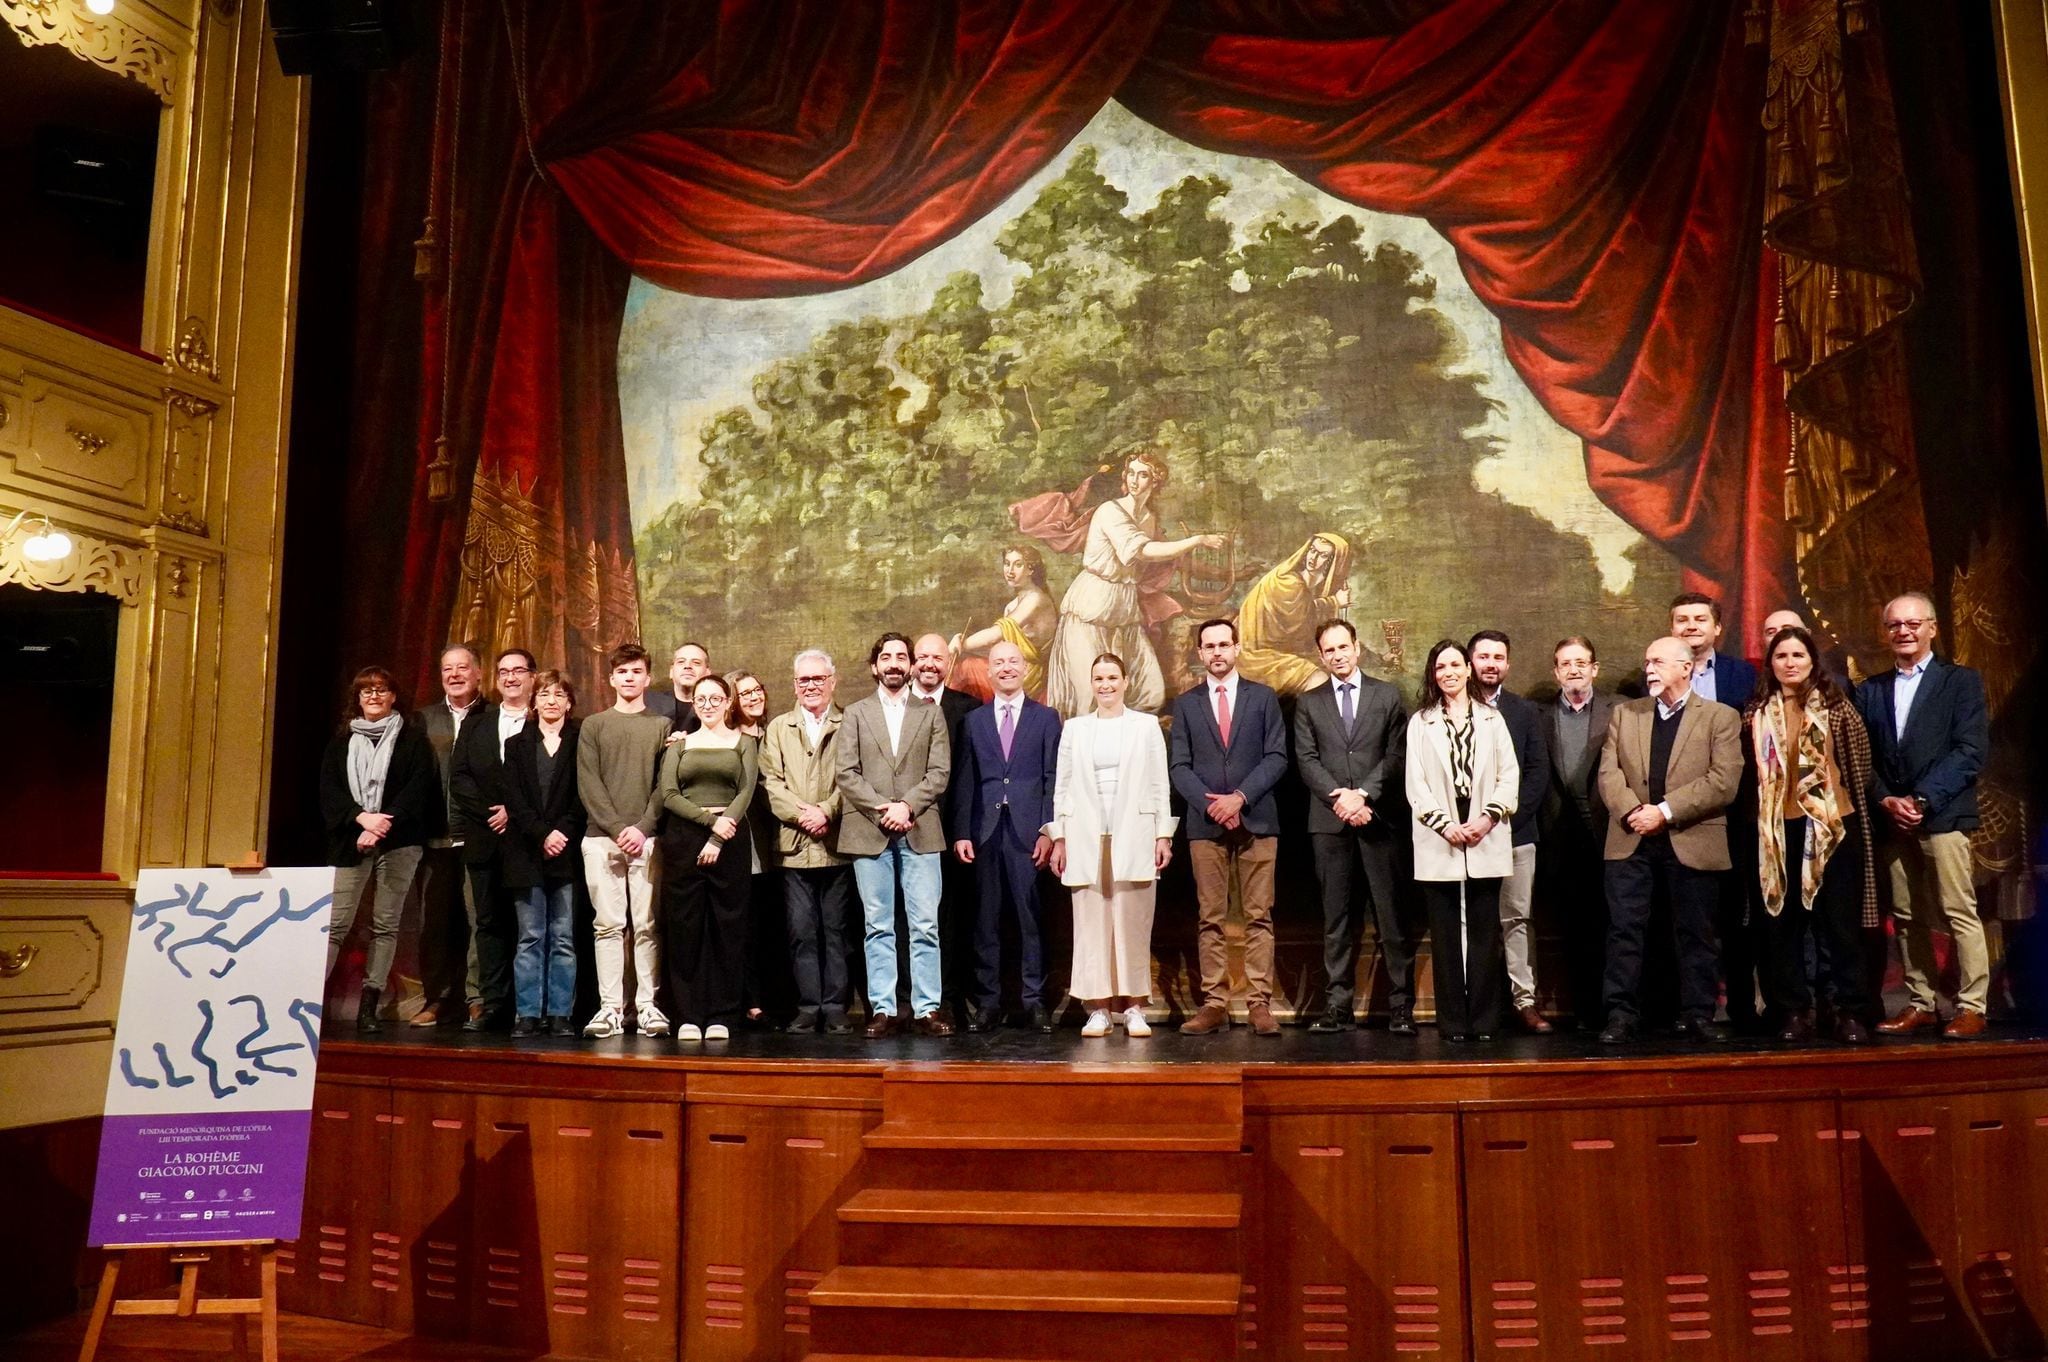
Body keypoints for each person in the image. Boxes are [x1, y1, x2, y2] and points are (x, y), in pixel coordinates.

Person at [1856, 592, 1991, 1039]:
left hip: (1943, 815)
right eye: (1895, 625)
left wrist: (1922, 800)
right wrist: (1885, 800)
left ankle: (1972, 1006)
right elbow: (1861, 757)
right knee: (1907, 914)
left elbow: (1970, 751)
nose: (1904, 632)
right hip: (1893, 820)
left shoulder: (1961, 681)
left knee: (1957, 912)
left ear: (1932, 627)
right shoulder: (1870, 689)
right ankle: (1922, 1003)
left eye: (1913, 624)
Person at [1595, 636, 1743, 1044]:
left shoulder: (1721, 717)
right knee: (1625, 931)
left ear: (1686, 667)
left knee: (1696, 931)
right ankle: (1621, 1014)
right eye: (1647, 662)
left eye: (1658, 661)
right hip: (1631, 838)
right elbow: (1609, 774)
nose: (1650, 669)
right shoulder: (1626, 714)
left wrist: (1663, 811)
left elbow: (1723, 782)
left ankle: (1698, 1013)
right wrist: (1633, 812)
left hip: (1691, 836)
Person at [1745, 627, 1877, 1044]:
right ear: (1771, 664)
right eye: (1781, 656)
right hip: (1776, 831)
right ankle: (1792, 1011)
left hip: (1831, 828)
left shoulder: (1838, 708)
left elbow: (1860, 769)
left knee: (1838, 926)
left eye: (1798, 655)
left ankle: (1849, 1011)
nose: (1790, 662)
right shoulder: (1755, 712)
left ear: (1812, 660)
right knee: (1781, 926)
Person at [1170, 618, 1290, 1037]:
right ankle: (1215, 1002)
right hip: (1206, 824)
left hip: (1257, 819)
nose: (1217, 652)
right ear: (1200, 653)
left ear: (1236, 648)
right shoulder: (1186, 704)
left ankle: (1259, 1002)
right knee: (1211, 918)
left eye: (1224, 644)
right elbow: (1179, 766)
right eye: (1209, 646)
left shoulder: (1263, 698)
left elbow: (1276, 757)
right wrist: (1215, 806)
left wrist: (1240, 798)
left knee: (1259, 915)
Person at [1294, 619, 1413, 1034]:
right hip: (1330, 825)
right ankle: (1337, 1007)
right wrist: (1341, 799)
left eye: (1343, 647)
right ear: (1321, 656)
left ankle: (1401, 1008)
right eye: (1329, 650)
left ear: (1357, 648)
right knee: (1336, 920)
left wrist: (1363, 794)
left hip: (1379, 819)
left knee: (1391, 918)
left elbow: (1396, 755)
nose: (1337, 655)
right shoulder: (1308, 703)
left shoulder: (1387, 695)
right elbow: (1306, 760)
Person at [1041, 447, 1225, 716]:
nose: (1134, 480)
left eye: (1143, 475)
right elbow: (1143, 551)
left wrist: (1221, 573)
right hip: (1092, 606)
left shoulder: (1149, 519)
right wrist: (1196, 540)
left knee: (1149, 692)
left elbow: (1168, 558)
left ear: (1155, 482)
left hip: (1124, 608)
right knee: (1091, 695)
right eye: (1131, 474)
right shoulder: (1110, 511)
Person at [1048, 653, 1176, 1037]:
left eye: (1112, 677)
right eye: (1099, 678)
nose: (1106, 685)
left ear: (1125, 681)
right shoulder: (1075, 729)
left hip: (1133, 834)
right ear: (1092, 684)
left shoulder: (1146, 726)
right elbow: (1063, 786)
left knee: (1132, 922)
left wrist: (1163, 834)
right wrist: (1060, 837)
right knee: (1091, 925)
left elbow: (1158, 783)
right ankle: (1098, 1009)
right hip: (1087, 836)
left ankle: (1134, 1006)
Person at [836, 632, 953, 1037]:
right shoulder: (855, 713)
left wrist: (907, 807)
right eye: (886, 657)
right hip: (870, 830)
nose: (894, 664)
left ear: (911, 666)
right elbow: (846, 773)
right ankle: (883, 1008)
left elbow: (939, 772)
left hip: (920, 828)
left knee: (925, 924)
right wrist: (883, 808)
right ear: (874, 666)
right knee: (878, 924)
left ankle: (927, 1008)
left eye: (901, 657)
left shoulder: (930, 712)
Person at [1404, 640, 1518, 1042]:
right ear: (1433, 675)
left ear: (1468, 670)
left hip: (1486, 829)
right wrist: (1445, 825)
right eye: (1440, 667)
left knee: (1486, 933)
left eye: (1455, 664)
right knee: (1446, 934)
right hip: (1441, 837)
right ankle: (1452, 1022)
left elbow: (1509, 775)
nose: (1448, 672)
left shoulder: (1492, 718)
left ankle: (1485, 1021)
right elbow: (1415, 785)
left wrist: (1487, 818)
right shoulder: (1421, 722)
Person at [950, 640, 1062, 1032]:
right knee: (985, 922)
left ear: (1024, 667)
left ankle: (1034, 1001)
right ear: (991, 671)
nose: (1006, 668)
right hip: (984, 833)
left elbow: (1052, 779)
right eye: (999, 663)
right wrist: (962, 831)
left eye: (1013, 662)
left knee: (1032, 919)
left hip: (1030, 834)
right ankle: (989, 1002)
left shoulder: (1047, 718)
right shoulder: (974, 721)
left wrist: (1050, 830)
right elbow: (966, 779)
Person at [319, 666, 437, 1033]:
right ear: (357, 699)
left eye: (381, 690)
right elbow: (330, 792)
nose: (373, 696)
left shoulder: (413, 740)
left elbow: (419, 789)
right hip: (350, 838)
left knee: (385, 925)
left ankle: (369, 1006)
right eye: (365, 691)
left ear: (393, 697)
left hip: (399, 841)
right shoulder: (340, 742)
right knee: (335, 925)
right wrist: (361, 819)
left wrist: (383, 823)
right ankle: (308, 1003)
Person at [1670, 591, 1765, 1031]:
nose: (1690, 626)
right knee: (1692, 919)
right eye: (1682, 620)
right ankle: (1694, 1010)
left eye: (1699, 619)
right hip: (1683, 818)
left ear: (1716, 628)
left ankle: (1744, 1008)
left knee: (1739, 914)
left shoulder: (1742, 676)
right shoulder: (1657, 675)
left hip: (1739, 813)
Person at [576, 644, 673, 1039]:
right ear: (611, 678)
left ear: (647, 678)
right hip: (601, 839)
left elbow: (664, 784)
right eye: (623, 672)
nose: (629, 677)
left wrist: (643, 827)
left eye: (636, 671)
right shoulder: (594, 725)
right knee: (608, 925)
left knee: (647, 924)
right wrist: (618, 828)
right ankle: (611, 1008)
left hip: (647, 839)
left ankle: (647, 1006)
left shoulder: (662, 725)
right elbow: (589, 783)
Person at [655, 675, 759, 1043]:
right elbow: (668, 794)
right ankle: (688, 1013)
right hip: (685, 838)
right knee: (686, 928)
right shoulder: (679, 745)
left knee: (726, 929)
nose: (709, 704)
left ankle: (721, 1014)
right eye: (702, 698)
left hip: (730, 838)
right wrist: (710, 823)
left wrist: (719, 832)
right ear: (694, 703)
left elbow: (745, 790)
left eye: (716, 698)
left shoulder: (744, 742)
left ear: (728, 701)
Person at [761, 650, 855, 1034]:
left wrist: (827, 812)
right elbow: (771, 782)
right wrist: (803, 815)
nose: (811, 686)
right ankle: (808, 1006)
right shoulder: (779, 728)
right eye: (804, 680)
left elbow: (856, 780)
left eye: (818, 679)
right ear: (794, 685)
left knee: (836, 932)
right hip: (794, 848)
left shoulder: (851, 723)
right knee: (801, 932)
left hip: (837, 846)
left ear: (832, 681)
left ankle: (834, 1007)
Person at [1469, 630, 1553, 1033]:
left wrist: (1504, 821)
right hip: (1466, 837)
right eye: (1483, 656)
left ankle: (1525, 1002)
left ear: (1508, 664)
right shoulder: (1453, 707)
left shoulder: (1524, 711)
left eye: (1498, 657)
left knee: (1517, 919)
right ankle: (1477, 1002)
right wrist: (1472, 827)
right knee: (1473, 921)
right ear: (1470, 661)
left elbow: (1537, 773)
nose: (1491, 663)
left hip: (1516, 833)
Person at [446, 647, 533, 1031]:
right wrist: (491, 811)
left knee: (530, 926)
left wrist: (513, 811)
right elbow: (459, 778)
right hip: (484, 839)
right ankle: (493, 1004)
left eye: (518, 671)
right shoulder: (477, 724)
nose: (511, 678)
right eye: (503, 672)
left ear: (533, 676)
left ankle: (529, 1008)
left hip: (530, 841)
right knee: (489, 924)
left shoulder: (547, 721)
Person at [500, 670, 584, 1038]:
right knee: (531, 936)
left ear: (569, 702)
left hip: (566, 851)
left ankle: (561, 1012)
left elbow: (584, 796)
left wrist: (561, 833)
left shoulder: (581, 742)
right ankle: (528, 1013)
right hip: (527, 852)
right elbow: (514, 799)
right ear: (534, 701)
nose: (552, 701)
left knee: (563, 936)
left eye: (559, 694)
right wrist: (541, 834)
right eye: (545, 694)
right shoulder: (517, 745)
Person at [408, 645, 483, 1028]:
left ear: (478, 673)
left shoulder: (492, 716)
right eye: (447, 669)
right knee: (434, 924)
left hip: (477, 837)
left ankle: (477, 998)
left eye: (462, 668)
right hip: (434, 839)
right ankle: (437, 1000)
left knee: (477, 920)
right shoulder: (423, 719)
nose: (454, 675)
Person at [1541, 636, 1613, 1027]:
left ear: (1594, 668)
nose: (1574, 669)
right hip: (1559, 836)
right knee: (1572, 926)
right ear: (1556, 672)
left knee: (1611, 922)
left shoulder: (1618, 710)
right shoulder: (1540, 715)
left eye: (1581, 662)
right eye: (1566, 664)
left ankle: (1615, 1007)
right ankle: (1584, 1010)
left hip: (1607, 830)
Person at [913, 632, 980, 1025]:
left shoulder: (967, 709)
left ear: (947, 663)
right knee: (911, 920)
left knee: (950, 919)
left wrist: (961, 831)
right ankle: (911, 1000)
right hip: (904, 829)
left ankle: (949, 998)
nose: (929, 665)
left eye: (936, 658)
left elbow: (970, 776)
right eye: (922, 657)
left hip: (951, 832)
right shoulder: (896, 708)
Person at [728, 669, 789, 1029]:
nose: (753, 697)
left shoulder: (775, 734)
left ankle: (779, 998)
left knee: (777, 925)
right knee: (749, 926)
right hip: (748, 842)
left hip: (782, 840)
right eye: (744, 693)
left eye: (757, 689)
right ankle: (752, 1001)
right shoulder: (730, 741)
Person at [1235, 534, 1353, 694]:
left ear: (1333, 563)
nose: (1314, 557)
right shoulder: (1288, 581)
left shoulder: (1311, 587)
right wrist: (1334, 602)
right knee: (1318, 680)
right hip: (1258, 656)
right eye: (1312, 550)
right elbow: (1297, 618)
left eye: (1323, 555)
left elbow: (1325, 633)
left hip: (1285, 653)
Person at [950, 545, 1058, 700]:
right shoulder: (1013, 605)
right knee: (965, 666)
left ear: (1031, 570)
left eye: (1018, 565)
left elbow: (996, 634)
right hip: (1013, 667)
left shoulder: (1036, 599)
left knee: (968, 668)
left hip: (1030, 676)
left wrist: (960, 645)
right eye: (1007, 564)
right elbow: (1000, 644)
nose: (1010, 571)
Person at [646, 641, 709, 731]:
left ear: (707, 673)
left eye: (696, 663)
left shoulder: (719, 709)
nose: (687, 666)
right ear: (671, 671)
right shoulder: (650, 706)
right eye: (681, 662)